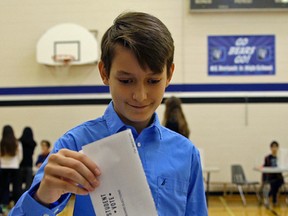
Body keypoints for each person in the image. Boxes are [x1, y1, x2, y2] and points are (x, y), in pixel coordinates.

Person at [10, 12, 207, 215]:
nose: (140, 96)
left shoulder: (186, 154)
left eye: (153, 81)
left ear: (169, 75)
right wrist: (42, 197)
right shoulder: (75, 145)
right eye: (126, 80)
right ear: (104, 72)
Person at [0, 125, 22, 212]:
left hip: (3, 167)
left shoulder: (1, 143)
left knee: (4, 187)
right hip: (15, 167)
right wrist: (16, 163)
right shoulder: (17, 143)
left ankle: (4, 206)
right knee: (16, 188)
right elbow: (20, 156)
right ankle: (16, 206)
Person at [262, 141, 284, 205]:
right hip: (270, 176)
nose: (274, 148)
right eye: (273, 147)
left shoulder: (280, 158)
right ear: (271, 148)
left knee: (278, 182)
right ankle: (272, 198)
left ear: (277, 148)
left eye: (275, 147)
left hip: (279, 176)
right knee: (274, 183)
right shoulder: (267, 158)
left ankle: (268, 196)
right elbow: (265, 167)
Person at [19, 127, 37, 192]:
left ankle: (19, 197)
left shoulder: (20, 141)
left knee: (19, 183)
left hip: (21, 165)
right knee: (28, 183)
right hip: (29, 164)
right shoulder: (33, 143)